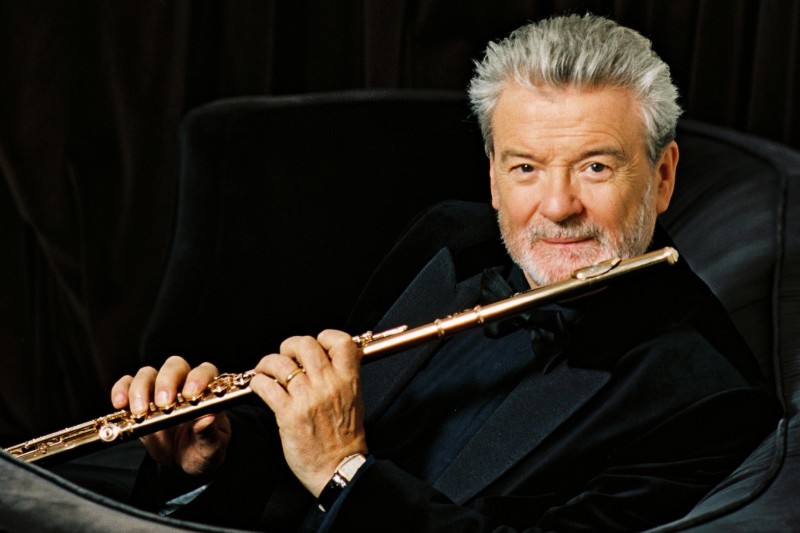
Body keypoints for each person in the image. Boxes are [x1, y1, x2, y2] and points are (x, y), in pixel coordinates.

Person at [113, 14, 780, 531]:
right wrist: (217, 453)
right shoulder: (450, 238)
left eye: (596, 166)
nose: (557, 206)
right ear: (493, 177)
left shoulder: (709, 398)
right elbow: (303, 458)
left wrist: (345, 472)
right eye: (526, 167)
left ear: (662, 177)